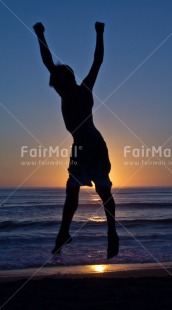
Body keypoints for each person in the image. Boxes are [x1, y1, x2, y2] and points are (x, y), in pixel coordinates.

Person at [33, 21, 119, 259]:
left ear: (63, 80)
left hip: (86, 145)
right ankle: (90, 232)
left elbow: (50, 62)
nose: (55, 84)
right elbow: (96, 62)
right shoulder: (81, 89)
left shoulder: (72, 90)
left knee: (83, 190)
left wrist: (39, 34)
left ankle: (74, 232)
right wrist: (100, 33)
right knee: (93, 190)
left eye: (57, 80)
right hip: (89, 144)